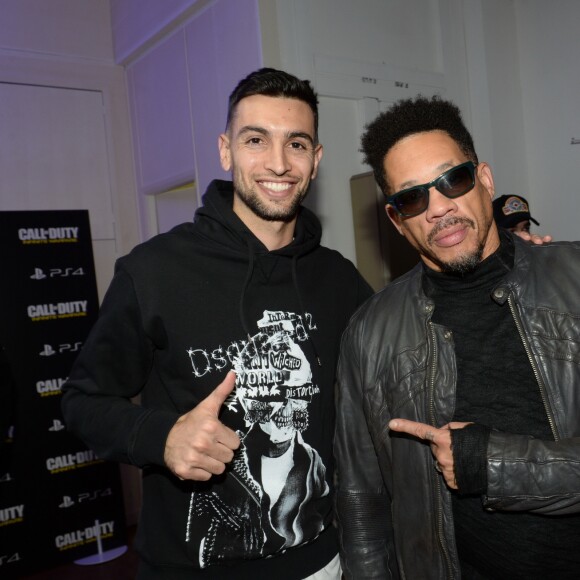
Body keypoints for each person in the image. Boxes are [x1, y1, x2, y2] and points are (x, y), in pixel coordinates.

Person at [61, 68, 373, 579]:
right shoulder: (154, 271)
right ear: (226, 151)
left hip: (322, 565)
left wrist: (512, 261)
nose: (277, 163)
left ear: (315, 161)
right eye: (256, 140)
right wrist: (160, 437)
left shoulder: (339, 279)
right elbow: (81, 401)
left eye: (296, 144)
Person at [334, 95, 580, 579]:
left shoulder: (573, 281)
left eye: (453, 180)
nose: (438, 208)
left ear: (485, 180)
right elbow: (362, 504)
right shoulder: (369, 333)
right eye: (411, 198)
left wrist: (491, 463)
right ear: (396, 219)